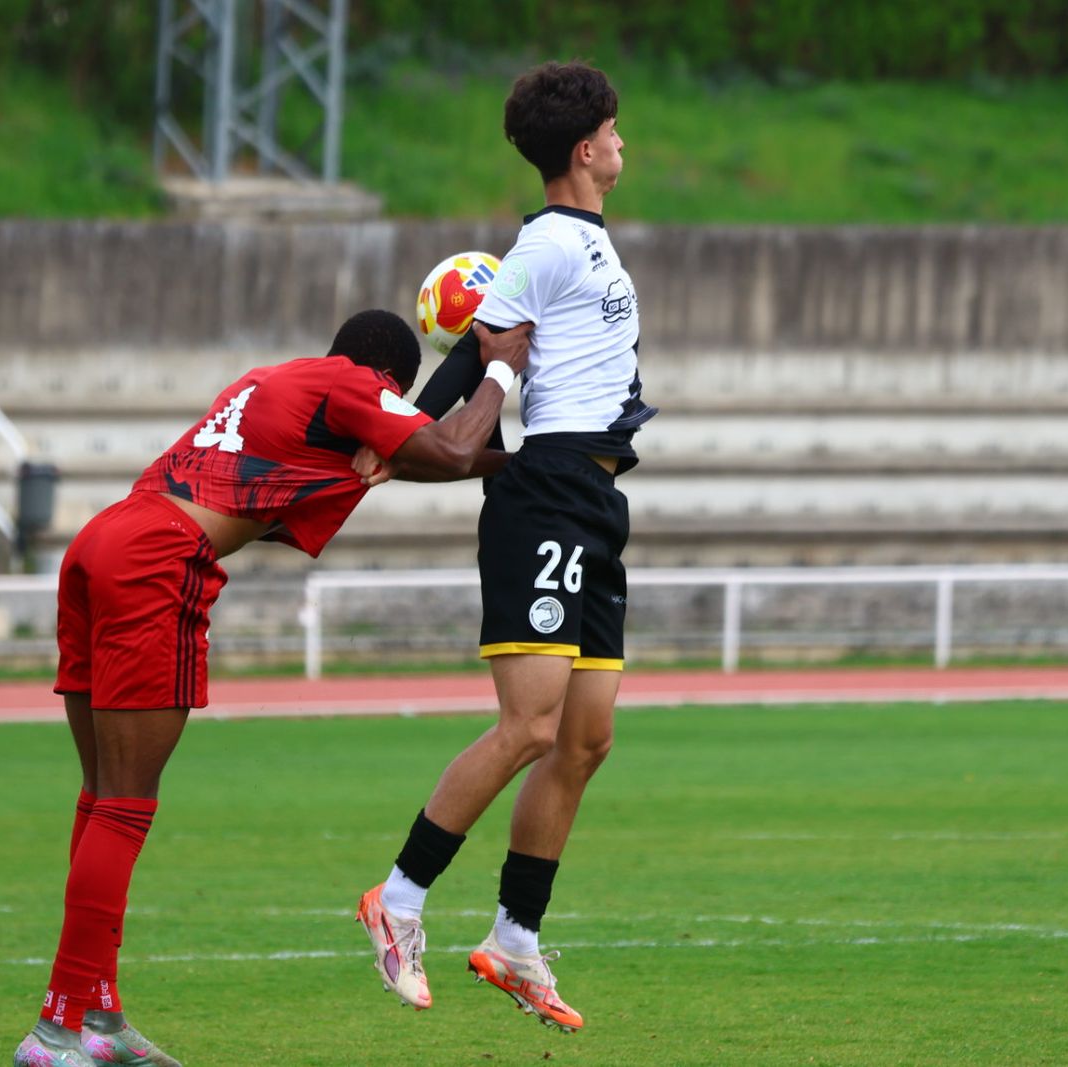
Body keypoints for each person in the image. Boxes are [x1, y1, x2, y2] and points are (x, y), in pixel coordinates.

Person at [13, 309, 530, 1067]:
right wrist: (500, 366)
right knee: (125, 805)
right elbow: (448, 447)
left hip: (105, 538)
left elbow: (423, 456)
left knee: (100, 799)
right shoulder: (355, 383)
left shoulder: (277, 383)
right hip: (158, 559)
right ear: (389, 378)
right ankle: (57, 1031)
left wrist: (511, 464)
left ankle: (96, 1016)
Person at [355, 60, 655, 1033]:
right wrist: (393, 438)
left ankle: (515, 935)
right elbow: (477, 353)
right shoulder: (550, 241)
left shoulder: (587, 246)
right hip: (549, 494)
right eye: (613, 131)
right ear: (584, 148)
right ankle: (398, 899)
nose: (622, 144)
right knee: (528, 725)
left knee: (585, 735)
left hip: (598, 502)